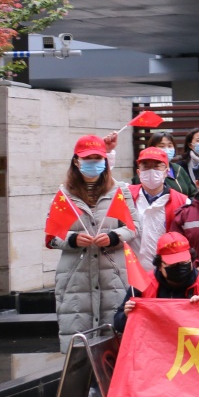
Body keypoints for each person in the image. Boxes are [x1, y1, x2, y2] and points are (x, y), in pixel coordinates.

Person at [113, 231, 199, 397]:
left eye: (184, 263)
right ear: (159, 264)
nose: (180, 268)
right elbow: (118, 323)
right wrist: (128, 315)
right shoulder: (141, 284)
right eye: (173, 265)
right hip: (156, 349)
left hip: (195, 347)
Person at [48, 135, 137, 338]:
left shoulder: (120, 191)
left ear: (105, 160)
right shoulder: (64, 194)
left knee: (114, 339)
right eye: (87, 158)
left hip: (113, 274)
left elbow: (133, 227)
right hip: (76, 276)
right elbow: (52, 234)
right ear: (76, 161)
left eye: (97, 158)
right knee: (79, 342)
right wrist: (73, 239)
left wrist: (114, 237)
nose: (93, 163)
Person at [130, 145, 190, 266]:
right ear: (138, 172)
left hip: (167, 270)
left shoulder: (183, 202)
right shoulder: (127, 196)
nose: (151, 171)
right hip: (131, 269)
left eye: (157, 166)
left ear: (166, 172)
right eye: (146, 166)